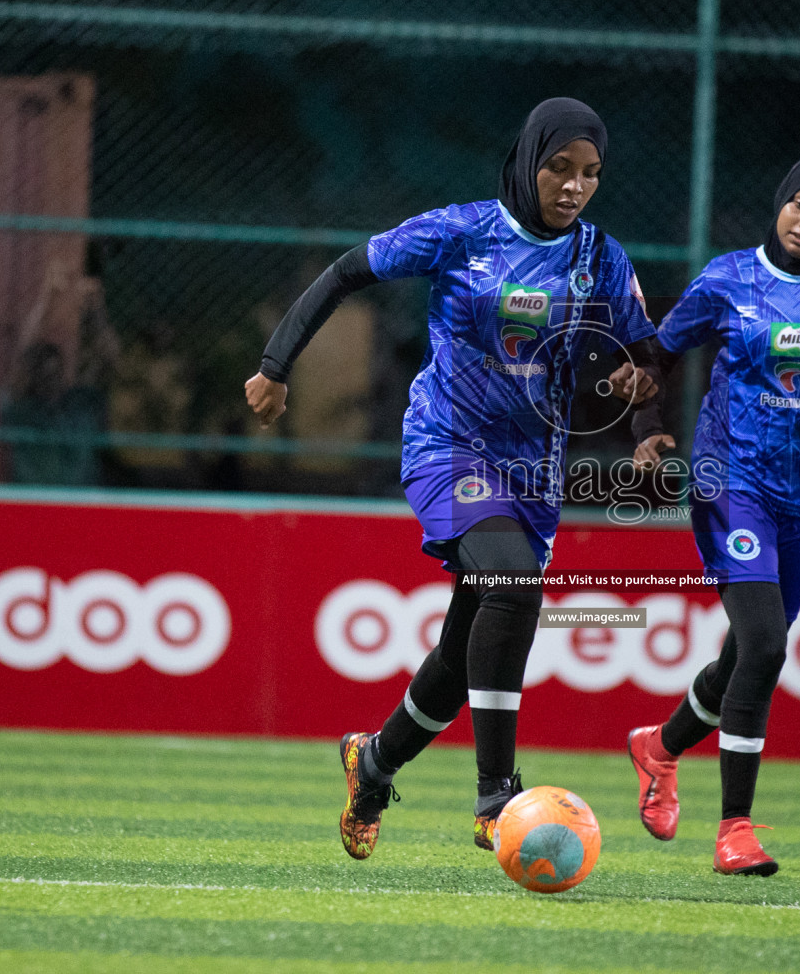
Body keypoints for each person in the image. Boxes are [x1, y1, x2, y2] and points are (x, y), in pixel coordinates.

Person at [244, 98, 658, 859]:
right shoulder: (461, 232)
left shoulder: (601, 258)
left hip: (532, 475)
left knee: (463, 646)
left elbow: (639, 358)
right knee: (511, 588)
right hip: (448, 447)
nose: (573, 186)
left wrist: (638, 412)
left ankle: (372, 762)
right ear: (525, 158)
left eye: (590, 173)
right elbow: (343, 273)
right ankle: (495, 793)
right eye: (558, 167)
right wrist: (274, 366)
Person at [614, 155, 800, 875]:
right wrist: (645, 427)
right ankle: (734, 830)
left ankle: (660, 746)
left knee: (745, 653)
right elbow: (655, 357)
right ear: (779, 201)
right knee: (768, 647)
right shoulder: (727, 279)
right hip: (729, 481)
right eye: (799, 203)